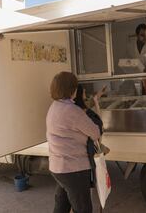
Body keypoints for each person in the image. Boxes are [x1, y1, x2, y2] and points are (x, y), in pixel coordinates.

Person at [46, 72, 101, 213]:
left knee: (62, 206)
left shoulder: (54, 107)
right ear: (71, 89)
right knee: (82, 208)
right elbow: (95, 133)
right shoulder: (73, 111)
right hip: (73, 169)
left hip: (58, 168)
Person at [74, 84, 108, 187]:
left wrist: (96, 97)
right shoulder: (82, 113)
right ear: (79, 94)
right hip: (85, 155)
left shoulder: (74, 108)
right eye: (84, 92)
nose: (85, 95)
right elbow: (97, 131)